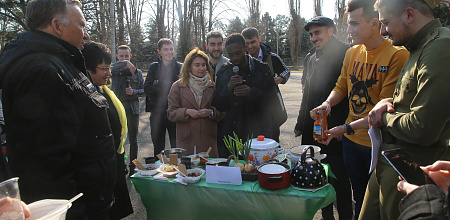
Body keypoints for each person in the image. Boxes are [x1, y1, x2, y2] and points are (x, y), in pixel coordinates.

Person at [0, 0, 116, 218]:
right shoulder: (43, 71)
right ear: (57, 26)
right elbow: (46, 166)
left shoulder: (58, 64)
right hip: (76, 209)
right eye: (81, 25)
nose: (86, 34)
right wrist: (70, 213)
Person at [309, 0, 409, 218]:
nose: (348, 30)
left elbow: (382, 112)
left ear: (375, 24)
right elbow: (341, 86)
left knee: (379, 205)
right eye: (348, 23)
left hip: (378, 146)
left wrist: (343, 128)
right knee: (359, 197)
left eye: (354, 24)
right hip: (351, 144)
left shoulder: (397, 55)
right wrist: (326, 105)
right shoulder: (352, 52)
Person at [359, 0, 450, 219]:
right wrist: (387, 101)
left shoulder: (439, 47)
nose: (382, 31)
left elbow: (423, 129)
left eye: (386, 23)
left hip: (410, 168)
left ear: (409, 15)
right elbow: (412, 98)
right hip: (391, 160)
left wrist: (383, 118)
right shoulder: (419, 45)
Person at [295, 17, 353, 220]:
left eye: (317, 33)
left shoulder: (346, 52)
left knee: (340, 180)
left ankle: (346, 216)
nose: (313, 38)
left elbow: (348, 90)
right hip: (314, 127)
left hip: (337, 127)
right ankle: (327, 216)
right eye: (310, 34)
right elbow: (308, 94)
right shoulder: (311, 58)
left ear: (330, 31)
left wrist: (346, 127)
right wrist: (301, 123)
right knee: (318, 177)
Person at [82, 41, 133, 219]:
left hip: (114, 162)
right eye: (104, 69)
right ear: (87, 69)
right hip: (101, 171)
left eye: (109, 67)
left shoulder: (102, 89)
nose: (109, 73)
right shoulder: (84, 95)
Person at [213, 33, 276, 157]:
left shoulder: (262, 69)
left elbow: (273, 101)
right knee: (233, 171)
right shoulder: (224, 72)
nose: (235, 58)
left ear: (245, 48)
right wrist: (228, 88)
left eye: (238, 53)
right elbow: (218, 105)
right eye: (231, 55)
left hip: (258, 131)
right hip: (232, 133)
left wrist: (251, 92)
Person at [167, 48, 222, 157]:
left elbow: (222, 112)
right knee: (189, 172)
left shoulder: (213, 86)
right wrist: (186, 112)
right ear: (189, 67)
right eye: (197, 65)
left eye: (203, 65)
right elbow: (171, 113)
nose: (201, 68)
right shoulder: (178, 86)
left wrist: (211, 112)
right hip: (187, 141)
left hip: (208, 140)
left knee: (209, 171)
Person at [242, 27, 290, 143]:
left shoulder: (271, 57)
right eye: (247, 43)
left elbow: (286, 71)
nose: (250, 46)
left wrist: (281, 78)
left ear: (259, 39)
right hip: (250, 108)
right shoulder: (241, 58)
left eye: (253, 42)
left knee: (272, 140)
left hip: (270, 107)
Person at [110, 45, 145, 174]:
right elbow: (111, 67)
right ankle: (121, 165)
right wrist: (124, 63)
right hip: (118, 109)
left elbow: (144, 90)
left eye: (126, 56)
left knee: (133, 140)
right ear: (118, 57)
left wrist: (134, 92)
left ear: (130, 56)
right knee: (119, 139)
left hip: (132, 109)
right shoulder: (114, 71)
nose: (124, 58)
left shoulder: (137, 72)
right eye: (121, 56)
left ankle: (133, 166)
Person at [144, 38, 181, 156]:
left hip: (175, 111)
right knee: (158, 146)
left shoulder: (180, 67)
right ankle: (158, 171)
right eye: (166, 50)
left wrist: (159, 85)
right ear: (159, 51)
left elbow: (182, 89)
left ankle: (178, 170)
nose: (169, 52)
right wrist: (169, 87)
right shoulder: (153, 68)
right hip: (157, 112)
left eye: (171, 49)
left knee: (177, 146)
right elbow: (147, 87)